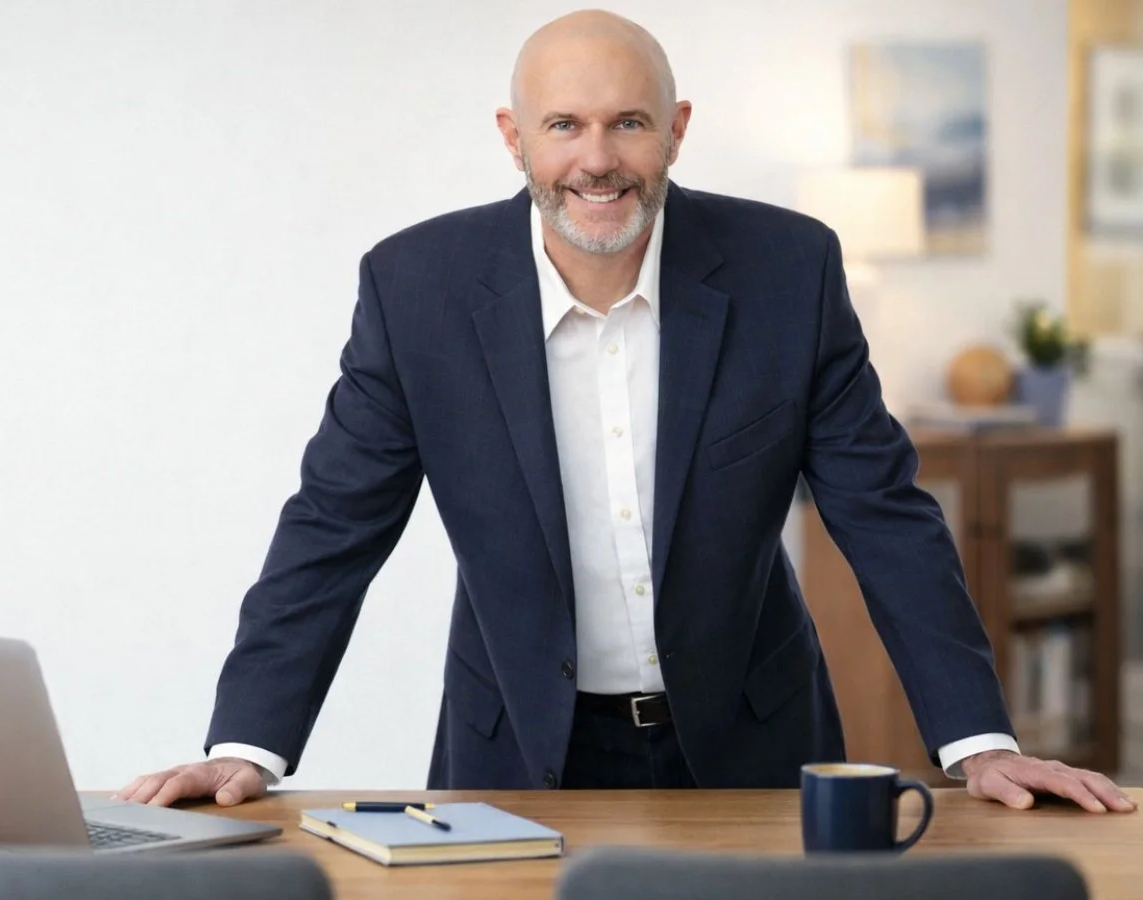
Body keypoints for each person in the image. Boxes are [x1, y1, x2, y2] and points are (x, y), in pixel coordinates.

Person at [118, 9, 1135, 813]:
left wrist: (978, 743)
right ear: (515, 138)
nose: (596, 159)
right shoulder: (415, 290)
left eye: (628, 123)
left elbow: (885, 514)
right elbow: (332, 524)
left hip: (750, 743)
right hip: (517, 749)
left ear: (676, 130)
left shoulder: (788, 273)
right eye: (564, 125)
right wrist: (246, 743)